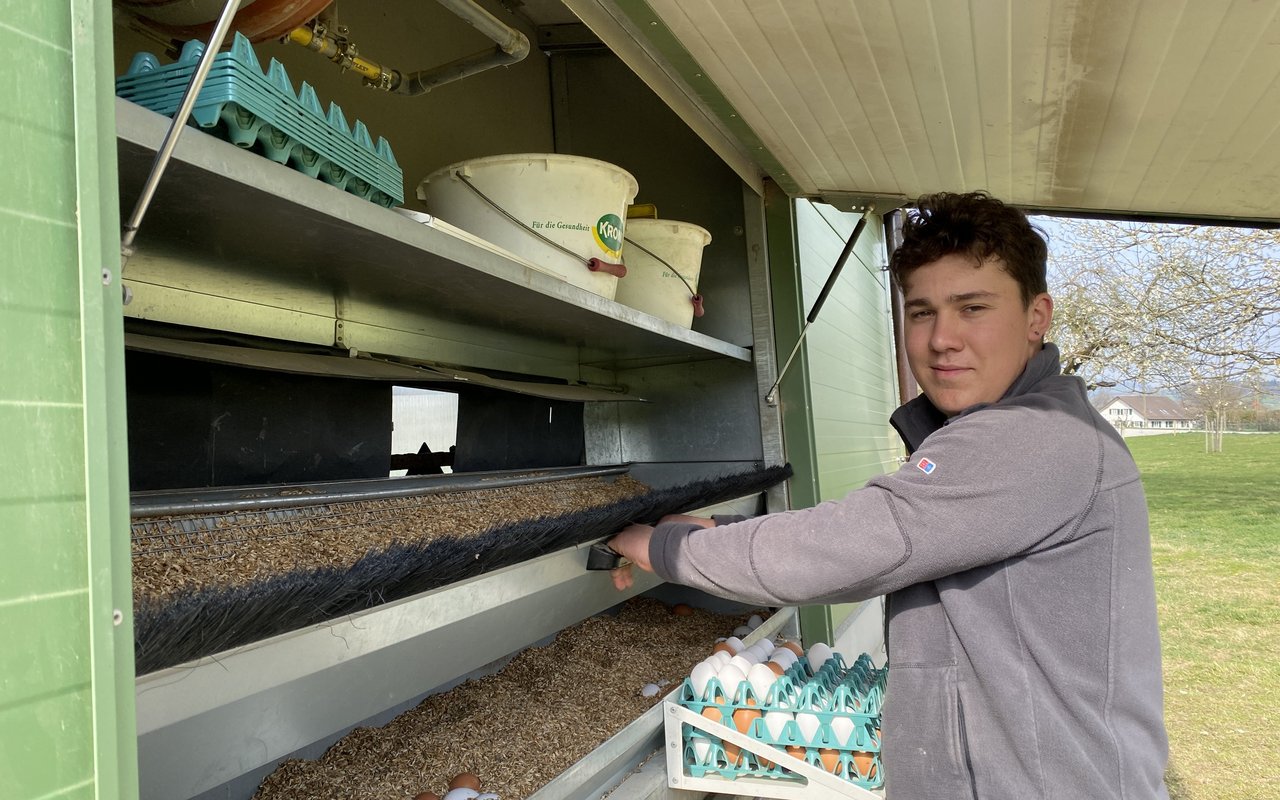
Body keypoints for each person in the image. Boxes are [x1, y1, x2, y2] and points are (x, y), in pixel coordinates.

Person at [607, 192, 1169, 799]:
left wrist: (659, 546)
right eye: (922, 312)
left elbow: (849, 545)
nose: (942, 339)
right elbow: (884, 524)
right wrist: (717, 531)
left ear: (1037, 317)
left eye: (973, 307)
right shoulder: (1030, 426)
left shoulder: (1031, 436)